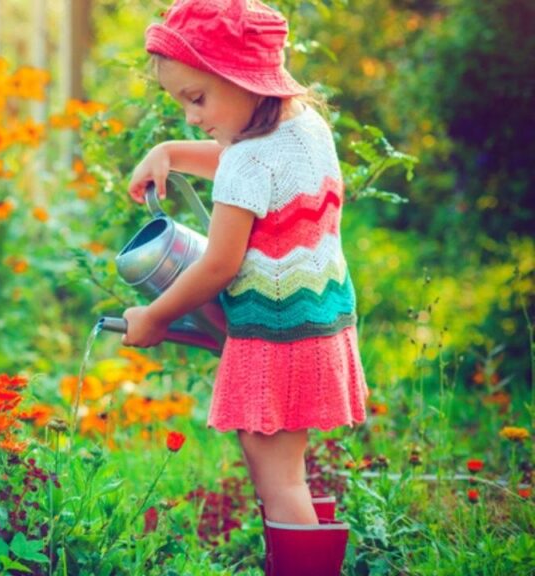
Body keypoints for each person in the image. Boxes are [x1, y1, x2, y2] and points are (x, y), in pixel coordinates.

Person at [120, 0, 368, 574]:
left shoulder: (248, 160)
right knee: (289, 473)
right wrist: (170, 154)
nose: (189, 116)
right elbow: (248, 166)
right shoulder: (304, 126)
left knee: (277, 479)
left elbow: (217, 266)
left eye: (197, 98)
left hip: (273, 339)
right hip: (319, 325)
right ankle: (301, 554)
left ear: (242, 80)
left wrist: (155, 317)